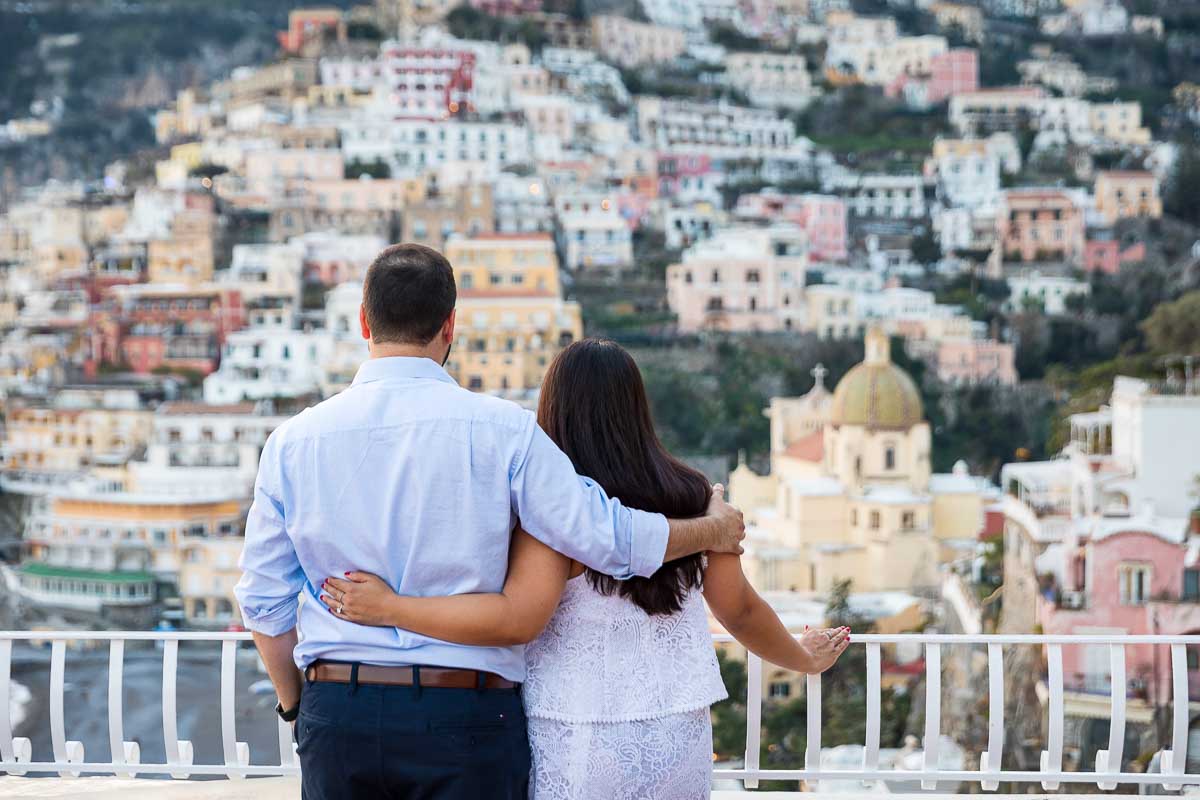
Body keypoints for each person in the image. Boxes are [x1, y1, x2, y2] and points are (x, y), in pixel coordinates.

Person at [234, 244, 746, 800]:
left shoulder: (291, 443)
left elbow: (263, 599)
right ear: (450, 324)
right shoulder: (507, 432)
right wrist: (711, 531)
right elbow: (604, 535)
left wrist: (295, 702)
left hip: (340, 712)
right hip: (466, 712)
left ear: (364, 321)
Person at [320, 338, 851, 799]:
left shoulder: (547, 507)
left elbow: (516, 612)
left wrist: (390, 607)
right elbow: (739, 609)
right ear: (636, 408)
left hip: (572, 727)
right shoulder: (693, 496)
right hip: (675, 726)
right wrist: (802, 658)